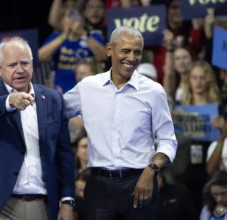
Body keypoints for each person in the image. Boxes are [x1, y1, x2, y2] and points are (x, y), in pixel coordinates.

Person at [64, 26, 178, 219]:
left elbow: (168, 141)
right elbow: (52, 109)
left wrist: (151, 171)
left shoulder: (154, 91)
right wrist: (8, 95)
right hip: (99, 187)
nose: (132, 58)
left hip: (140, 185)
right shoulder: (88, 87)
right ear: (109, 50)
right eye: (125, 50)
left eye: (137, 52)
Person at [0, 37, 75, 220]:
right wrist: (9, 101)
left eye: (24, 63)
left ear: (33, 64)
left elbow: (64, 154)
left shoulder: (53, 99)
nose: (19, 69)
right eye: (12, 65)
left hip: (41, 203)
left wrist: (67, 201)